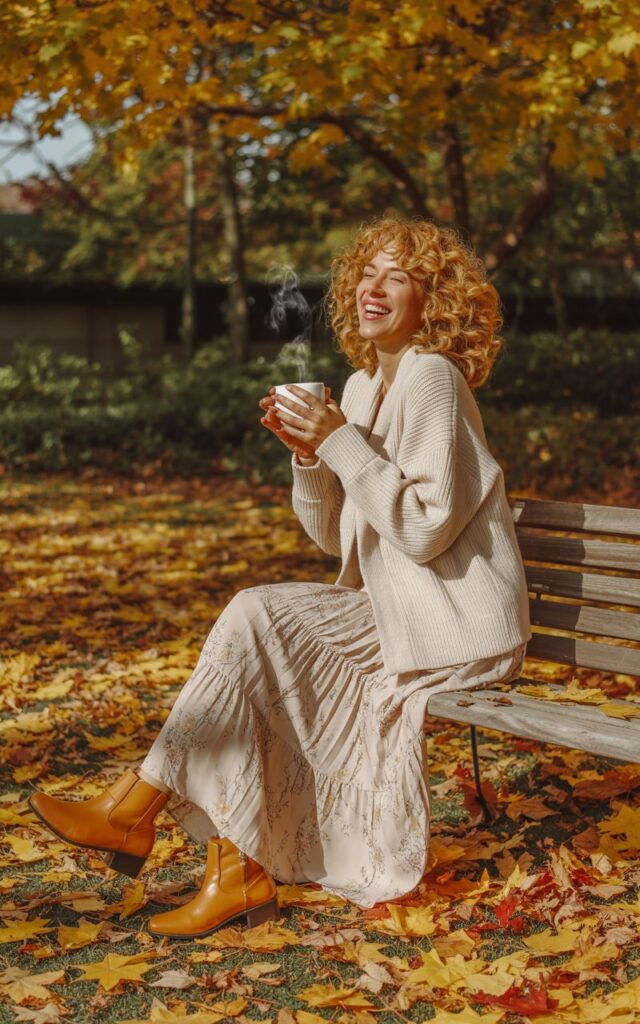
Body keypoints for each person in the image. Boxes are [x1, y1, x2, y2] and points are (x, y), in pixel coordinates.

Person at [27, 214, 531, 939]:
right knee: (255, 642)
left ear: (434, 299)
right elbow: (335, 536)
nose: (373, 287)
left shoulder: (433, 379)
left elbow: (423, 532)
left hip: (454, 619)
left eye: (398, 276)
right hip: (394, 608)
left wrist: (339, 443)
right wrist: (309, 455)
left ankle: (139, 813)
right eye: (367, 272)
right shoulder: (361, 388)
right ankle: (224, 867)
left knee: (255, 617)